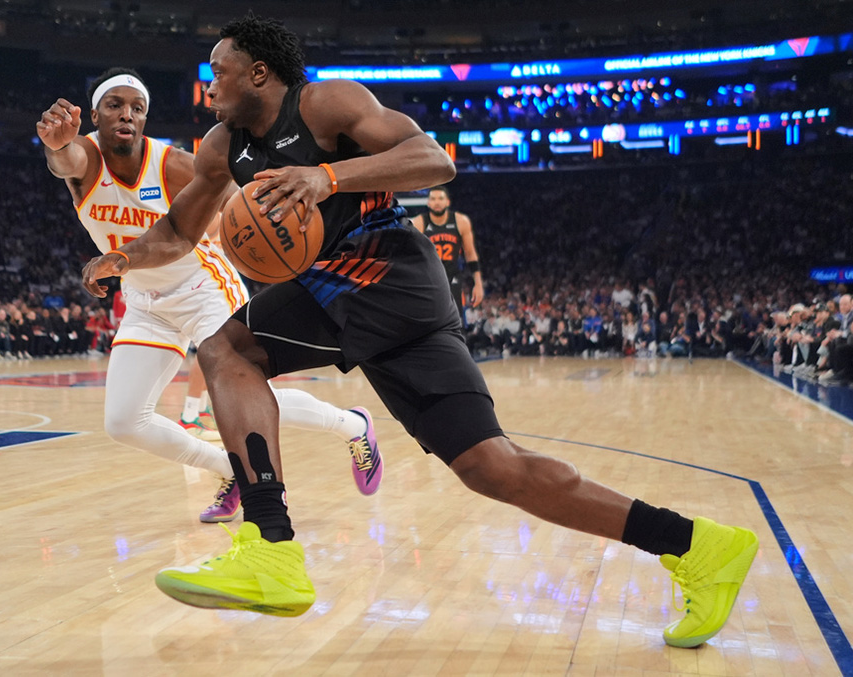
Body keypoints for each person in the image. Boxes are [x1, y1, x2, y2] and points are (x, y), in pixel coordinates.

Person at [81, 15, 757, 649]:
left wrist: (327, 175)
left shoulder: (324, 105)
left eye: (218, 68)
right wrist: (122, 258)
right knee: (227, 347)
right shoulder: (223, 148)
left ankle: (696, 545)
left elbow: (434, 159)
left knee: (494, 469)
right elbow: (176, 229)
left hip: (396, 286)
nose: (209, 81)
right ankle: (272, 545)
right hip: (324, 294)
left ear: (259, 73)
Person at [37, 66, 383, 522]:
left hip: (204, 286)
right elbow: (64, 162)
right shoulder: (84, 158)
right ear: (96, 116)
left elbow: (231, 203)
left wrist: (234, 232)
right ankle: (226, 467)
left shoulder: (173, 164)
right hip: (144, 299)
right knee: (123, 422)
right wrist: (56, 143)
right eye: (115, 106)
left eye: (137, 108)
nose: (127, 115)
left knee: (248, 397)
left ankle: (353, 426)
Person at [410, 186, 483, 321]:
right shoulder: (419, 222)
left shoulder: (461, 221)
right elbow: (412, 256)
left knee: (455, 324)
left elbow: (470, 254)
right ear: (428, 203)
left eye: (440, 198)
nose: (437, 202)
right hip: (428, 281)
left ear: (448, 202)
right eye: (433, 199)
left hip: (452, 278)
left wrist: (478, 283)